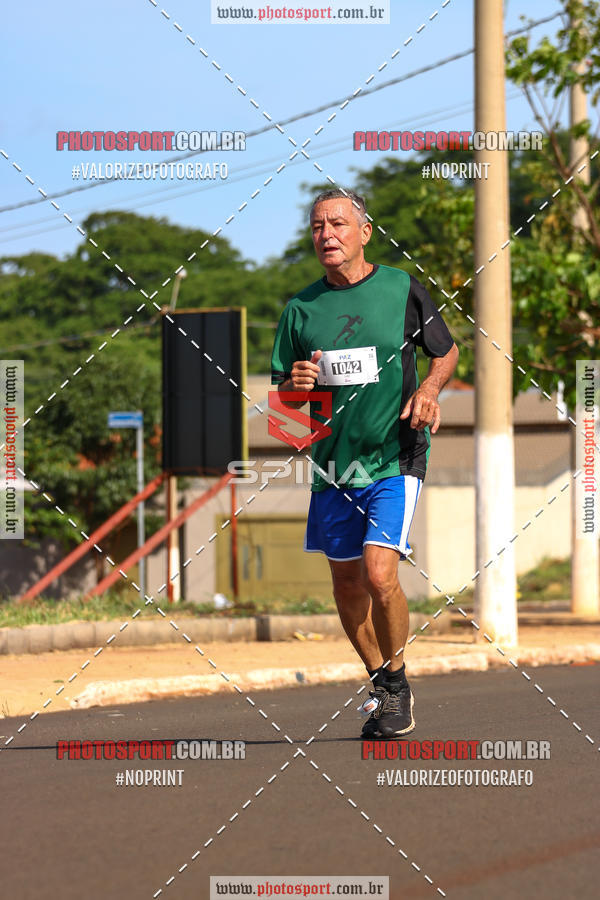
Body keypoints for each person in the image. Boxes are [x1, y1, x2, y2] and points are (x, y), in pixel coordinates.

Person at [271, 189, 459, 738]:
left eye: (338, 223)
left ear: (364, 231)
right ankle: (384, 682)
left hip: (396, 457)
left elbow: (445, 350)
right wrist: (294, 388)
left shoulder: (401, 288)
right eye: (316, 227)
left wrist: (428, 388)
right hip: (335, 468)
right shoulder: (300, 310)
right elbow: (283, 396)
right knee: (347, 582)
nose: (326, 234)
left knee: (380, 574)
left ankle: (396, 682)